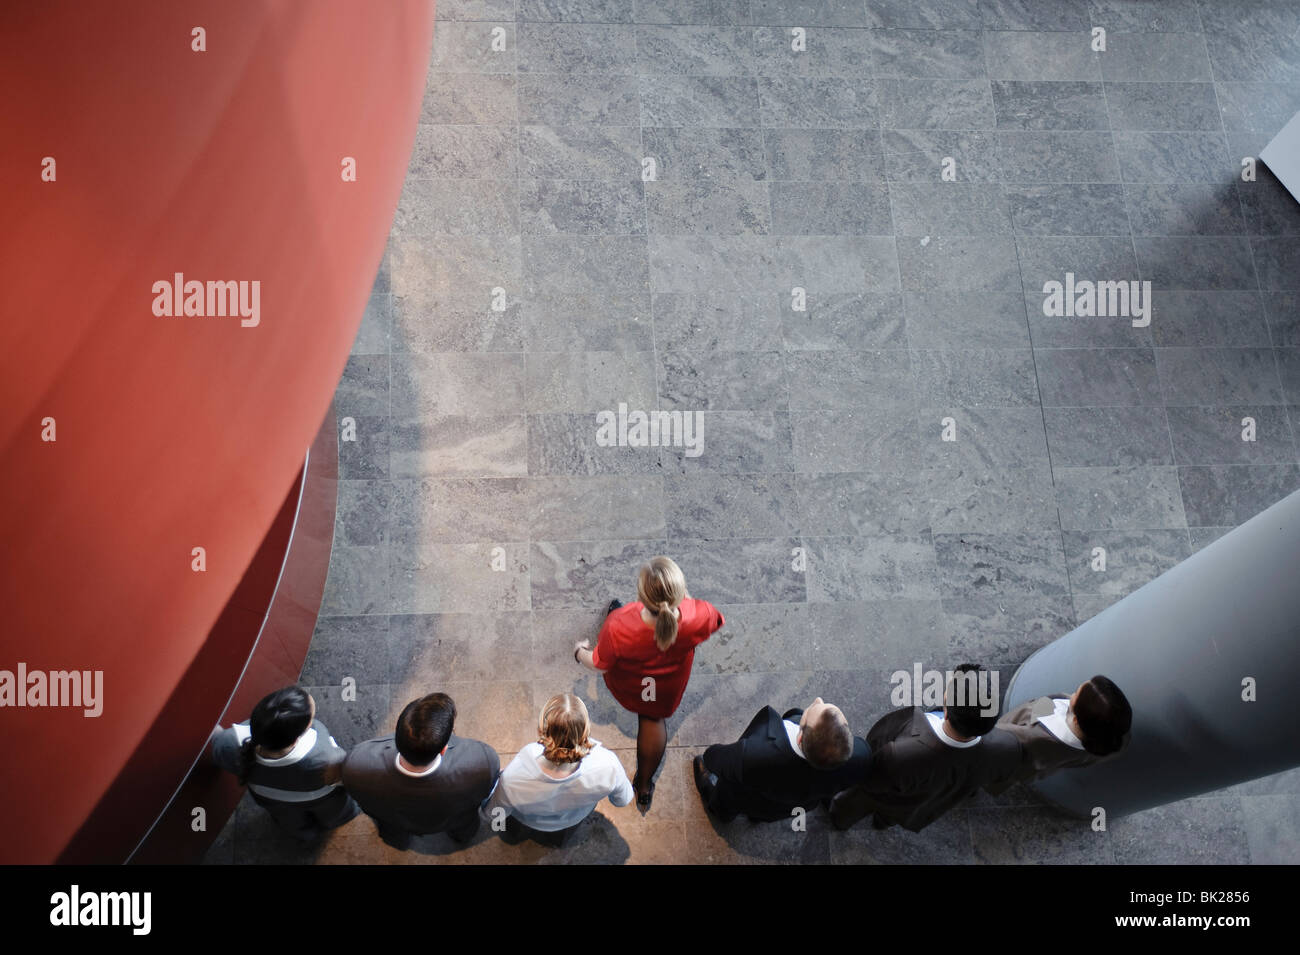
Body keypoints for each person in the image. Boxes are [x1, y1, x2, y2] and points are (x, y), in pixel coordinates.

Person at [574, 556, 724, 812]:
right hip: (666, 687)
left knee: (646, 713)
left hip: (633, 685)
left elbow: (600, 663)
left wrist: (579, 653)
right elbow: (714, 620)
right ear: (679, 594)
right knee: (653, 721)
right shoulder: (699, 615)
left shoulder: (619, 624)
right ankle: (643, 787)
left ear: (642, 597)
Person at [829, 664, 1021, 832]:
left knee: (857, 803)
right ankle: (883, 822)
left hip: (890, 796)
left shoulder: (900, 754)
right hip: (924, 806)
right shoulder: (1007, 747)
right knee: (894, 814)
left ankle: (840, 822)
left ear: (946, 713)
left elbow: (871, 780)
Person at [342, 692, 499, 848]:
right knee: (464, 829)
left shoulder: (356, 765)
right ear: (443, 750)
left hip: (395, 824)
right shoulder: (483, 761)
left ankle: (400, 843)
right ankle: (461, 838)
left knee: (395, 836)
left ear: (397, 738)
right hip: (454, 820)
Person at [482, 692, 634, 847]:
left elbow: (496, 812)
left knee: (514, 835)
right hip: (570, 822)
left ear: (542, 730)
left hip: (527, 822)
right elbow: (623, 800)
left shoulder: (513, 776)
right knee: (557, 843)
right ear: (586, 730)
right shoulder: (609, 765)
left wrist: (494, 822)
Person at [210, 685, 359, 841]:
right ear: (296, 738)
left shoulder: (229, 742)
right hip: (321, 799)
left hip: (270, 799)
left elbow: (219, 749)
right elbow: (345, 776)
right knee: (333, 812)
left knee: (290, 821)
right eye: (311, 720)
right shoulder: (324, 757)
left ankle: (304, 834)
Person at [692, 697, 871, 823]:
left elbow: (716, 759)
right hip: (790, 806)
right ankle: (757, 818)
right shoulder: (861, 756)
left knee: (728, 800)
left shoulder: (754, 754)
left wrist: (710, 755)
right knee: (764, 812)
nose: (818, 699)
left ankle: (721, 813)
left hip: (747, 797)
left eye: (809, 713)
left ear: (800, 738)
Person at [986, 675, 1131, 795]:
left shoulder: (1032, 738)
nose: (1071, 695)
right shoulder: (1112, 739)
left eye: (1076, 694)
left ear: (1076, 719)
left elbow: (994, 738)